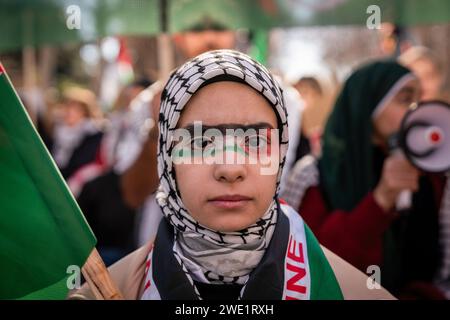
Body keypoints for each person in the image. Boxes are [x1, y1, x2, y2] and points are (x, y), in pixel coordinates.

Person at [69, 50, 394, 300]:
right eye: (200, 141)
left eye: (255, 141)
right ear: (168, 157)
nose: (230, 169)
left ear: (281, 153)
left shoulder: (355, 291)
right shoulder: (108, 291)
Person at [282, 60, 448, 299]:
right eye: (404, 98)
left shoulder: (433, 176)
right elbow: (312, 265)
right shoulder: (314, 176)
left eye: (418, 97)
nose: (416, 107)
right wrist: (380, 200)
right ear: (368, 104)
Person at [51, 86, 103, 181]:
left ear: (85, 113)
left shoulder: (93, 135)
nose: (70, 112)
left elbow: (82, 162)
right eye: (68, 108)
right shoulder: (55, 130)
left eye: (76, 109)